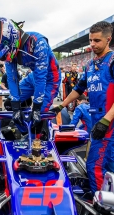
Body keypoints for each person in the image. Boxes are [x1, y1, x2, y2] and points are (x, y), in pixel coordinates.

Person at [50, 21, 114, 194]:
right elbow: (78, 89)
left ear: (108, 39)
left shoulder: (112, 61)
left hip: (108, 125)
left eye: (97, 40)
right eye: (90, 40)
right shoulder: (89, 66)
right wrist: (60, 106)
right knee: (109, 167)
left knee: (95, 166)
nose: (92, 44)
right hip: (98, 123)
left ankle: (100, 205)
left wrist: (106, 120)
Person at [0, 17, 60, 127]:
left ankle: (37, 134)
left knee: (38, 119)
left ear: (11, 38)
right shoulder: (9, 50)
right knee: (10, 104)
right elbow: (12, 78)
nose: (4, 58)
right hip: (33, 77)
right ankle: (23, 130)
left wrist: (37, 108)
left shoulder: (38, 42)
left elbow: (41, 78)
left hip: (50, 79)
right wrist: (16, 108)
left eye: (4, 54)